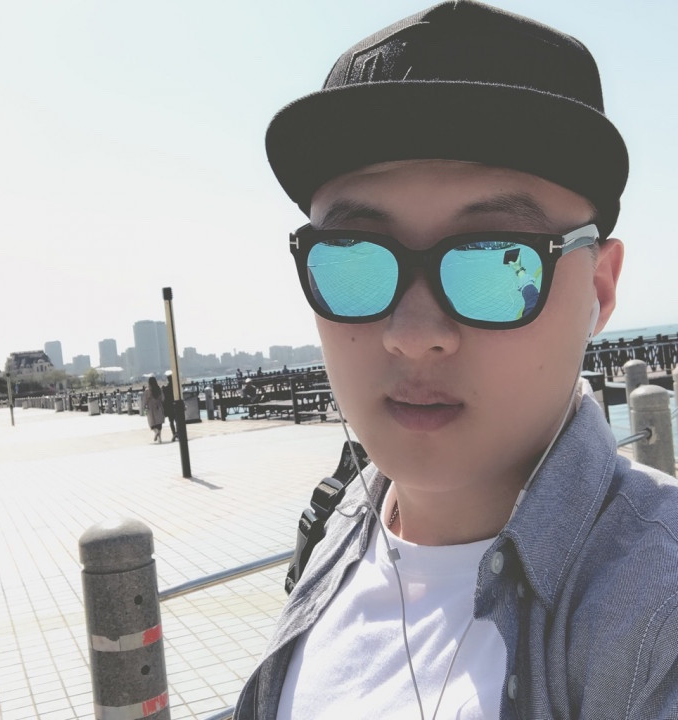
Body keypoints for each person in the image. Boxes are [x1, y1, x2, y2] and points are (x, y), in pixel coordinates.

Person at [234, 2, 678, 719]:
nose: (413, 334)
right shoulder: (337, 525)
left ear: (599, 288)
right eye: (354, 260)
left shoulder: (655, 612)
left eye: (497, 263)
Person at [142, 376, 165, 443]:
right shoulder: (159, 389)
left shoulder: (147, 391)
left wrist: (143, 408)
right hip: (158, 407)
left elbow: (144, 401)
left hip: (150, 409)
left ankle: (156, 432)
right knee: (159, 424)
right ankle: (159, 438)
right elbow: (163, 398)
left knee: (152, 424)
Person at [162, 372, 177, 441]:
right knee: (177, 420)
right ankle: (177, 432)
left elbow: (164, 397)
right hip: (175, 405)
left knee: (171, 421)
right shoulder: (175, 388)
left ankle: (174, 433)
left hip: (169, 406)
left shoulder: (166, 388)